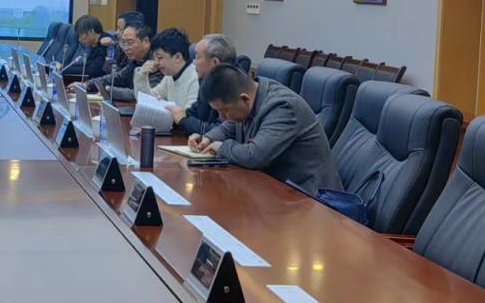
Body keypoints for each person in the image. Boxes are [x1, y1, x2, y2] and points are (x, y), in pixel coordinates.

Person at [189, 65, 340, 194]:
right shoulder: (250, 98)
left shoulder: (282, 107)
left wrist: (221, 147)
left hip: (311, 198)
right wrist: (208, 138)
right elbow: (229, 127)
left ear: (244, 99)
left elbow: (254, 156)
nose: (221, 117)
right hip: (277, 189)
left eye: (224, 110)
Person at [169, 34, 250, 136]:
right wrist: (174, 116)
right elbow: (195, 112)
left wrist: (184, 121)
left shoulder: (235, 87)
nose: (194, 62)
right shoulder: (206, 80)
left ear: (214, 62)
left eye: (197, 57)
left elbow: (221, 132)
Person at [84, 19, 156, 102]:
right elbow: (117, 78)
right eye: (123, 42)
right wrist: (87, 84)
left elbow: (143, 94)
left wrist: (109, 90)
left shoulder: (156, 62)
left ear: (146, 41)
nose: (126, 48)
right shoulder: (136, 60)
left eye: (130, 42)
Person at [133, 27, 199, 110]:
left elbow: (189, 114)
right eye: (155, 58)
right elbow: (147, 101)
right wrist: (142, 75)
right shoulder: (169, 77)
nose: (156, 62)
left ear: (178, 57)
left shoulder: (195, 79)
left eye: (160, 58)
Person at [60, 14, 107, 81]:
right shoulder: (93, 44)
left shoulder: (105, 44)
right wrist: (64, 68)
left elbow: (93, 71)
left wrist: (64, 69)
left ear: (91, 32)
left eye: (81, 35)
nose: (79, 39)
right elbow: (86, 65)